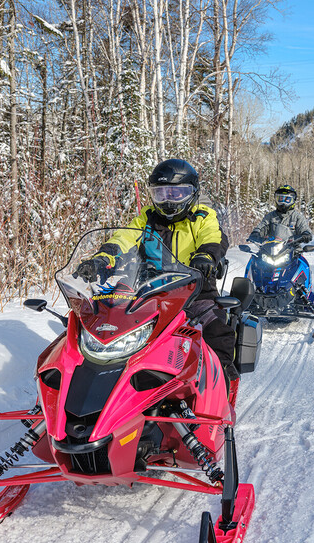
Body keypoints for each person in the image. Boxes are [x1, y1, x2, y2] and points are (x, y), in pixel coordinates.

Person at [75, 159, 239, 382]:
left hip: (194, 293)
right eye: (161, 194)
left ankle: (223, 381)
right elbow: (123, 238)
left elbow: (213, 237)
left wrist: (206, 256)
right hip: (148, 293)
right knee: (101, 329)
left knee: (216, 328)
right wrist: (101, 259)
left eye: (176, 193)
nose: (169, 201)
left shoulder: (202, 217)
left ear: (192, 193)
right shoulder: (147, 219)